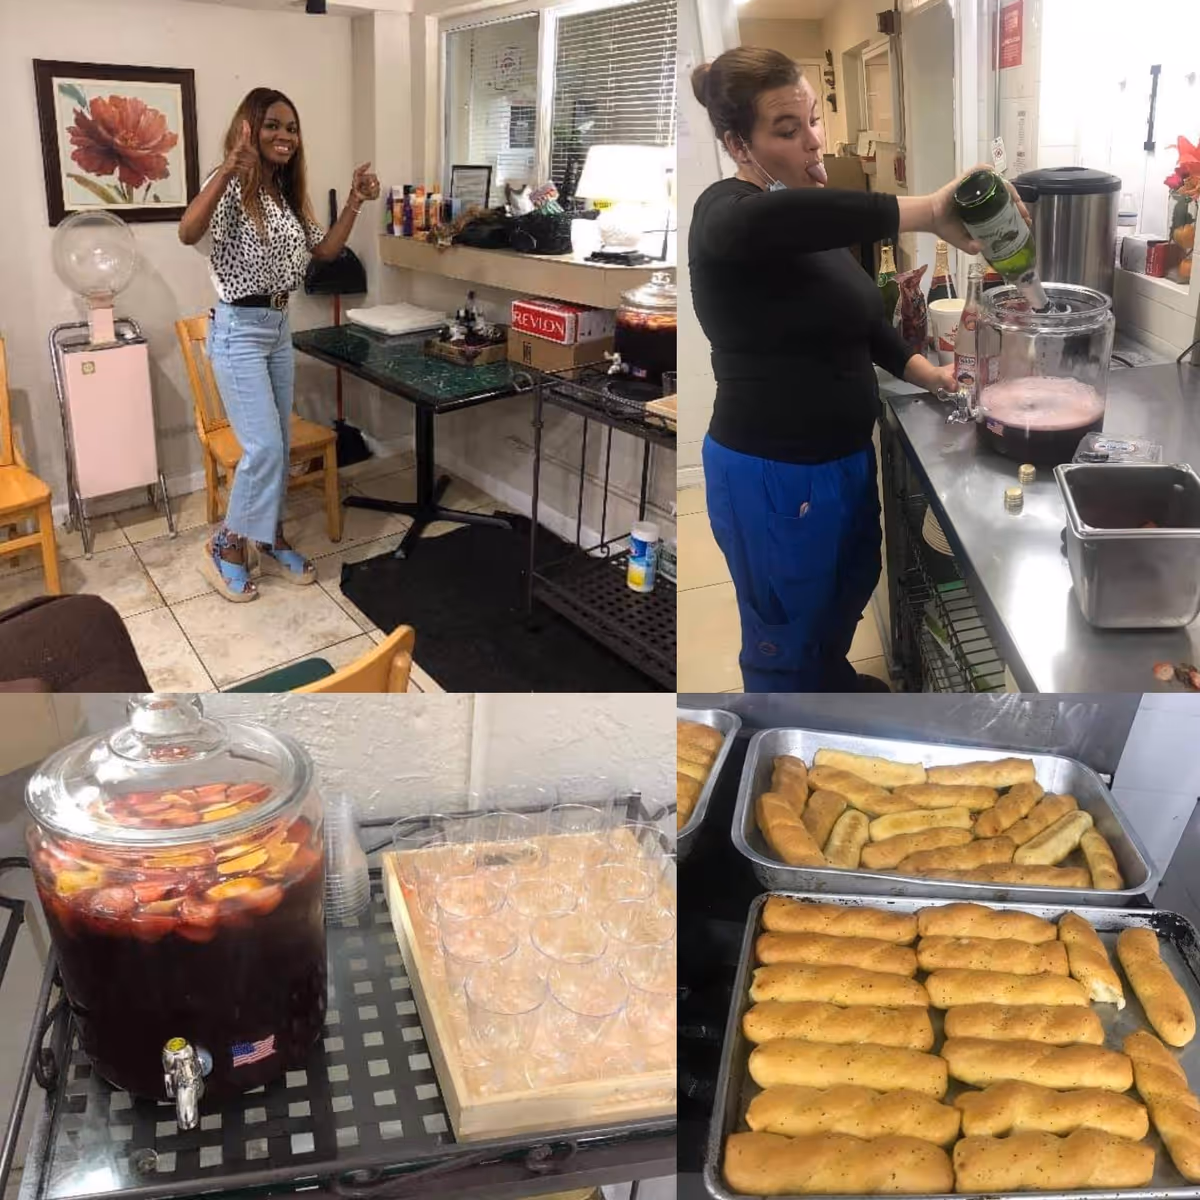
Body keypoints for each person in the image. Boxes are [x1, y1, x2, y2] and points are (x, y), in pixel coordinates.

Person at [689, 47, 1026, 692]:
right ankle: (789, 728)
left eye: (813, 120)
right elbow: (764, 221)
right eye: (787, 130)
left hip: (841, 458)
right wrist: (925, 209)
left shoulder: (809, 216)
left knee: (843, 591)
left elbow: (859, 320)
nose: (813, 140)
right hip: (773, 472)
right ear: (738, 143)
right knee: (784, 631)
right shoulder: (725, 215)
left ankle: (828, 681)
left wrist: (929, 373)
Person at [178, 87, 380, 602]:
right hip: (238, 331)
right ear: (248, 127)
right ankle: (224, 545)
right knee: (264, 447)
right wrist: (226, 169)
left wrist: (355, 199)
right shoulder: (228, 186)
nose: (284, 135)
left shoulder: (283, 195)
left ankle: (266, 538)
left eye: (291, 127)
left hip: (276, 328)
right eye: (272, 125)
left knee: (281, 447)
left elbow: (327, 250)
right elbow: (187, 232)